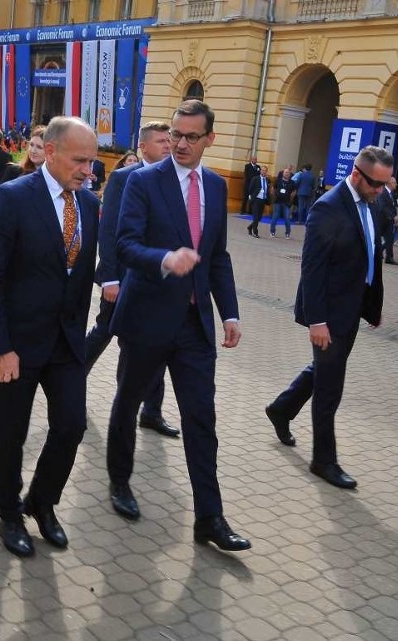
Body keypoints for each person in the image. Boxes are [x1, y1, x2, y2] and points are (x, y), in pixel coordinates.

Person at [106, 99, 251, 552]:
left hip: (194, 327)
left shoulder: (213, 185)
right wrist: (165, 260)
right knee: (128, 402)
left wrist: (229, 312)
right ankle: (120, 483)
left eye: (191, 136)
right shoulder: (142, 181)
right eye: (175, 134)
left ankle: (210, 518)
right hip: (147, 317)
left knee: (200, 418)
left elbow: (218, 257)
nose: (180, 143)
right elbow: (125, 245)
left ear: (210, 138)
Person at [0, 117, 100, 558]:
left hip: (66, 343)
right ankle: (9, 514)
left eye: (93, 161)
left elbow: (80, 271)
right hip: (16, 345)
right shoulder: (13, 198)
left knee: (71, 425)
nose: (89, 170)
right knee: (10, 432)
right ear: (50, 152)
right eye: (81, 160)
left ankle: (41, 503)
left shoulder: (89, 207)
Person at [265, 146, 393, 490]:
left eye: (385, 184)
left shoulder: (375, 203)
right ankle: (324, 460)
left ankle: (281, 408)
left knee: (323, 370)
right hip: (329, 312)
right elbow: (313, 269)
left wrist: (372, 306)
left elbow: (371, 257)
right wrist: (317, 321)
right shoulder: (328, 207)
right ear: (356, 174)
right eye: (375, 183)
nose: (381, 191)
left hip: (352, 307)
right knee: (330, 386)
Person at [85, 121, 180, 439]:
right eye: (161, 141)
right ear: (143, 147)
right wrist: (110, 277)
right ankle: (72, 379)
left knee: (158, 344)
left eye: (170, 140)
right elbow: (109, 229)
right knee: (105, 331)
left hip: (159, 283)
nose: (168, 145)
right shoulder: (125, 178)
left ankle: (151, 411)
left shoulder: (176, 179)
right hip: (124, 279)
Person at [270, 167, 296, 239]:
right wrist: (273, 195)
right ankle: (272, 232)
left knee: (287, 218)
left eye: (288, 173)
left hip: (286, 203)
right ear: (283, 173)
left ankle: (287, 233)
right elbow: (273, 188)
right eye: (286, 172)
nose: (287, 174)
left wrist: (292, 196)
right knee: (275, 217)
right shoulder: (278, 180)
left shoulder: (292, 183)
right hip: (277, 202)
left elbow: (294, 191)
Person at [378, 176, 398, 265]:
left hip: (389, 221)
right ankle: (377, 254)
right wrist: (392, 216)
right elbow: (382, 206)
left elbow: (393, 206)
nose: (396, 184)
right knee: (377, 238)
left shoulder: (392, 194)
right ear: (390, 183)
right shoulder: (382, 192)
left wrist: (395, 215)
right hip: (381, 219)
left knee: (390, 239)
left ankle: (389, 257)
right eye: (395, 183)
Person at [246, 165, 270, 238]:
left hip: (263, 200)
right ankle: (255, 232)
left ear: (266, 172)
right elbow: (250, 189)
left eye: (265, 170)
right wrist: (251, 197)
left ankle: (250, 227)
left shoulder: (267, 180)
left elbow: (267, 190)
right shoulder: (255, 179)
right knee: (256, 217)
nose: (263, 171)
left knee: (259, 218)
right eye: (262, 170)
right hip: (256, 199)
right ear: (260, 171)